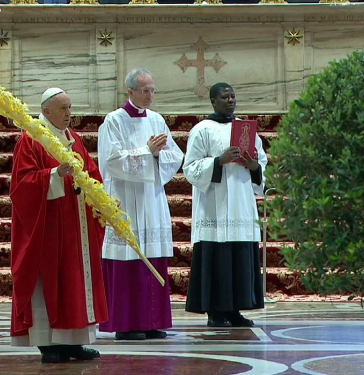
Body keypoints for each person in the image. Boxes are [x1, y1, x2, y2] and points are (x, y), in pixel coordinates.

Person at [10, 87, 108, 363]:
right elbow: (22, 184)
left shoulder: (72, 138)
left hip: (75, 227)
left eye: (70, 108)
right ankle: (47, 342)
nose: (69, 114)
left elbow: (90, 172)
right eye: (63, 109)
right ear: (46, 111)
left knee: (73, 281)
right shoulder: (31, 140)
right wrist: (53, 174)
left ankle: (73, 342)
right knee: (50, 281)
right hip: (48, 228)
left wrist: (101, 199)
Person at [97, 69, 184, 340]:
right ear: (130, 92)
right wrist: (147, 152)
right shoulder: (114, 121)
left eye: (153, 90)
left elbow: (174, 155)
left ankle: (152, 321)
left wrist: (157, 157)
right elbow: (111, 161)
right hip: (126, 199)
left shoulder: (157, 120)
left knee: (152, 257)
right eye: (145, 91)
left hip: (151, 198)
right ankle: (126, 324)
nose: (150, 96)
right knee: (128, 259)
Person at [183, 83, 266, 327]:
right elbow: (190, 168)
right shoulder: (201, 130)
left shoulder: (247, 129)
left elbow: (261, 161)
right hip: (214, 203)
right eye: (225, 97)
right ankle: (215, 312)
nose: (230, 101)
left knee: (240, 255)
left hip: (241, 201)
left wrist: (254, 167)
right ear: (213, 101)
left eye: (233, 97)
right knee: (217, 256)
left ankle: (235, 310)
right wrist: (218, 161)